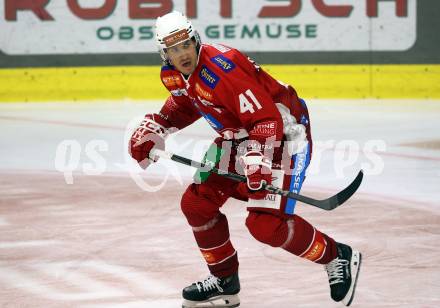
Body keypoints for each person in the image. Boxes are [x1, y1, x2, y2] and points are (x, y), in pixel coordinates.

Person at [129, 11, 362, 308]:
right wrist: (160, 125)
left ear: (195, 40)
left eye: (186, 44)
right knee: (197, 205)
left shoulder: (221, 70)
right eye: (173, 49)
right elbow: (188, 104)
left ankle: (337, 255)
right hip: (238, 137)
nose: (182, 54)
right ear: (164, 53)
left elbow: (267, 118)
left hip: (284, 136)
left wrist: (258, 160)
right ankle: (225, 283)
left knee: (265, 225)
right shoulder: (172, 74)